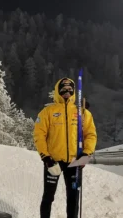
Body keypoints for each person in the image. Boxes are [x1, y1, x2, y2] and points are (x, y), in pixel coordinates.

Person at [33, 77, 97, 218]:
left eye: (69, 90)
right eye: (63, 89)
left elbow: (90, 134)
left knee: (73, 198)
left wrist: (86, 154)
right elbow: (39, 135)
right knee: (48, 197)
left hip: (75, 160)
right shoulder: (48, 112)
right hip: (53, 161)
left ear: (74, 92)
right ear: (58, 91)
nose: (66, 92)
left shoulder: (83, 112)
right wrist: (46, 158)